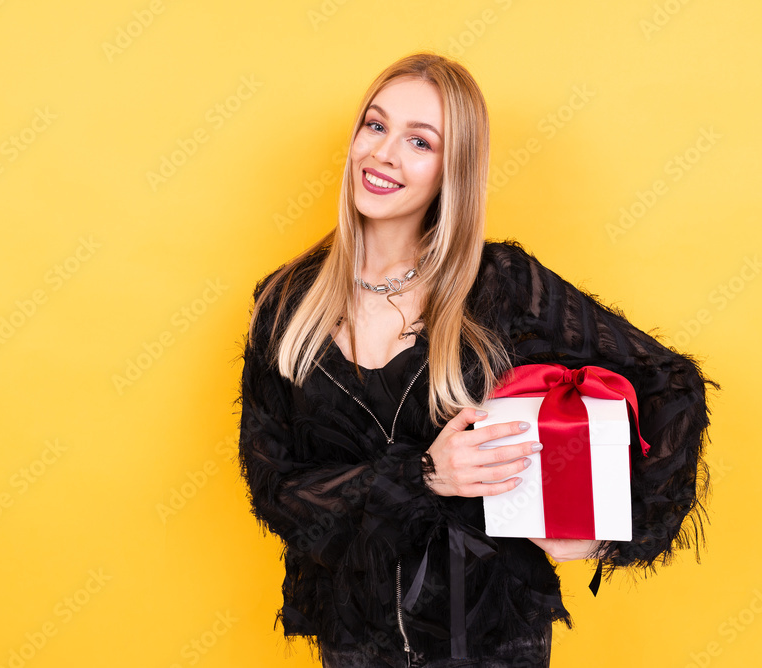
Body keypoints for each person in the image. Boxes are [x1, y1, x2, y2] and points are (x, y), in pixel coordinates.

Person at [236, 52, 716, 668]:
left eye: (420, 141)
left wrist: (598, 534)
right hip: (354, 640)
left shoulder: (503, 288)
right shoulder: (285, 303)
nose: (383, 154)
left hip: (492, 637)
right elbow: (278, 491)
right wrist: (425, 475)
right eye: (375, 126)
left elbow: (669, 382)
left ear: (451, 170)